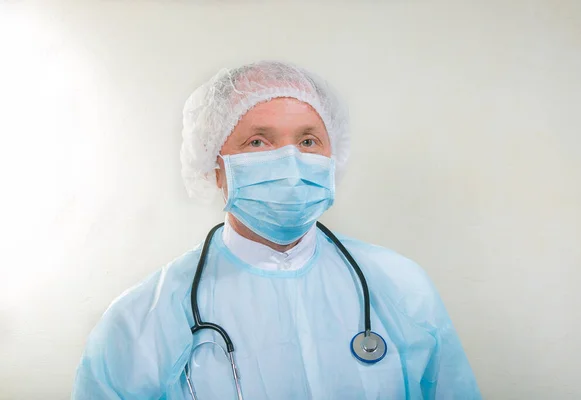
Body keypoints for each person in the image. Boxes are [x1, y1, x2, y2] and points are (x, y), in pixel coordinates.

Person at [72, 60, 481, 399]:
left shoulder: (400, 287)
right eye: (257, 142)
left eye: (307, 141)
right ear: (215, 167)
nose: (289, 162)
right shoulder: (141, 321)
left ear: (332, 156)